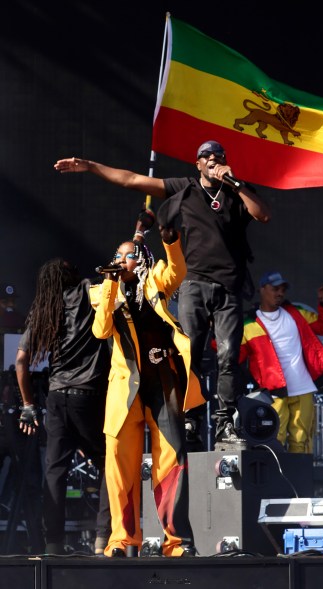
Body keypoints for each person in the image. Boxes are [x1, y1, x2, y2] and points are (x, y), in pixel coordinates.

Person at [54, 139, 271, 449]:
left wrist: (237, 184)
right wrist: (92, 167)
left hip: (230, 286)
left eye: (217, 156)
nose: (212, 159)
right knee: (188, 354)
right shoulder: (186, 188)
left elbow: (263, 214)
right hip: (194, 283)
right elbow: (132, 180)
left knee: (227, 357)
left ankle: (225, 421)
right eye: (205, 156)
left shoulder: (236, 191)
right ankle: (191, 419)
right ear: (197, 164)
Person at [90, 208, 205, 558]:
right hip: (125, 392)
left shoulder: (155, 281)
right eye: (118, 256)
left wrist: (170, 241)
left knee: (170, 462)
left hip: (163, 384)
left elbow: (177, 271)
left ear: (141, 260)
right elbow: (101, 330)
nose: (123, 260)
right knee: (120, 469)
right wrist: (112, 282)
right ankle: (123, 541)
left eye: (129, 256)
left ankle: (175, 543)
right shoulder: (102, 291)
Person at [15, 258, 111, 555]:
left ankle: (52, 545)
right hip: (89, 395)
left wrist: (28, 405)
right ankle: (103, 538)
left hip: (57, 398)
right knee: (109, 462)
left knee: (55, 471)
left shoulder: (45, 308)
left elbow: (21, 361)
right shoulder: (89, 294)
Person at [239, 271, 323, 453]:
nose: (280, 293)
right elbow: (234, 355)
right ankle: (275, 481)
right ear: (262, 289)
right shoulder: (248, 323)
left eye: (283, 289)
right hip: (273, 392)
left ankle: (301, 481)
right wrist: (218, 332)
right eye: (275, 288)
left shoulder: (296, 313)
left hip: (303, 388)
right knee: (274, 440)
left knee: (302, 441)